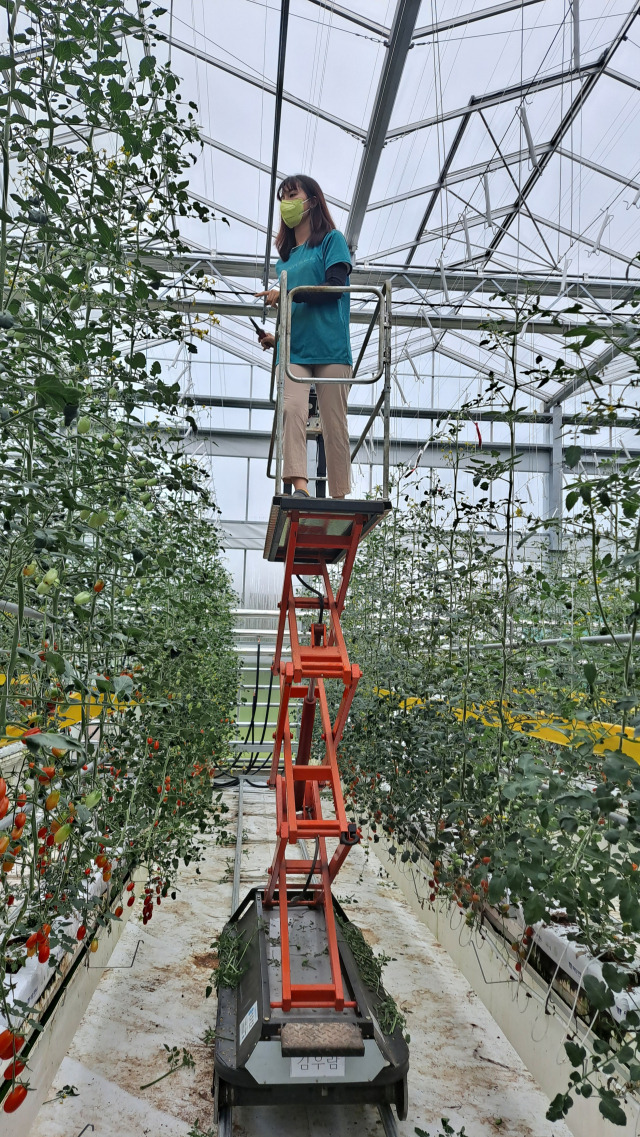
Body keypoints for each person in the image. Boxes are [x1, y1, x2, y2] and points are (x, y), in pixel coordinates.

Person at [256, 174, 352, 499]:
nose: (287, 203)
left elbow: (335, 287)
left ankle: (339, 496)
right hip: (294, 348)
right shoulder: (286, 260)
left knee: (333, 422)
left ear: (311, 201)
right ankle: (299, 486)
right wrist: (274, 339)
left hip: (330, 347)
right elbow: (292, 311)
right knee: (291, 410)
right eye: (282, 197)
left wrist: (288, 294)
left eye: (292, 195)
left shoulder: (331, 241)